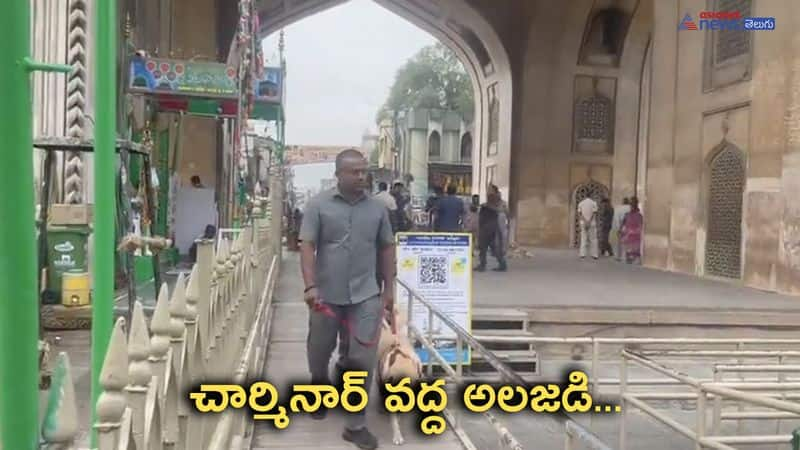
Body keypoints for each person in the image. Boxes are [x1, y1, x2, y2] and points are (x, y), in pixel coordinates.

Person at [298, 149, 395, 450]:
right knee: (319, 349)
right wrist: (310, 286)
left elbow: (387, 248)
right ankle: (319, 384)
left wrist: (389, 289)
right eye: (355, 172)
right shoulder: (318, 206)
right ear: (339, 173)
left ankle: (355, 425)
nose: (362, 176)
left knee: (361, 358)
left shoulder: (378, 209)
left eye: (364, 171)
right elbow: (307, 245)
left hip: (366, 294)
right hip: (326, 295)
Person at [475, 192, 507, 272]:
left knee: (483, 248)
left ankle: (482, 265)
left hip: (485, 230)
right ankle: (502, 264)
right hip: (493, 230)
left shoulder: (485, 207)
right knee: (494, 249)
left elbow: (481, 218)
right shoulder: (496, 208)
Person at [621, 196, 643, 264]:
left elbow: (640, 226)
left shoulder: (638, 215)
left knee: (633, 253)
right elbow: (624, 225)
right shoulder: (627, 215)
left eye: (633, 204)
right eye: (631, 204)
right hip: (629, 236)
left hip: (634, 236)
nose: (632, 205)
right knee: (629, 253)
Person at [577, 195, 599, 259]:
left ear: (585, 197)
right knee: (593, 239)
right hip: (592, 223)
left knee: (583, 238)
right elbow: (594, 213)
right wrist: (589, 222)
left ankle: (582, 254)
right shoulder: (594, 203)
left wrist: (585, 221)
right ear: (591, 196)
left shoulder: (581, 203)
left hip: (583, 223)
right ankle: (594, 255)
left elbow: (580, 214)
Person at [612, 197, 631, 261]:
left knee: (619, 243)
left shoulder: (618, 208)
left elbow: (616, 219)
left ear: (622, 202)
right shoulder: (630, 208)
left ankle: (618, 256)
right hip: (630, 227)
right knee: (628, 242)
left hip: (621, 227)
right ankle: (626, 256)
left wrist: (618, 228)